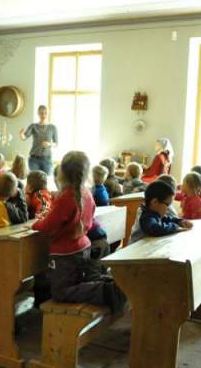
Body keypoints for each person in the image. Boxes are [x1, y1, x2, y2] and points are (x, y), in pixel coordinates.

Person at [31, 151, 125, 309]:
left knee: (60, 292)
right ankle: (115, 285)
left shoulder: (66, 197)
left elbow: (48, 226)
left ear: (62, 172)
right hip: (84, 246)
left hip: (65, 254)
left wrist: (36, 224)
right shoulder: (86, 193)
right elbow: (88, 216)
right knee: (81, 281)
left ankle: (106, 291)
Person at [19, 105, 58, 175]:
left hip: (47, 159)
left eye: (45, 113)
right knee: (34, 179)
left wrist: (49, 144)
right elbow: (24, 137)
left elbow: (56, 143)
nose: (43, 115)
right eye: (41, 113)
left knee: (46, 179)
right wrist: (21, 134)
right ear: (38, 113)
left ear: (48, 113)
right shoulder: (33, 126)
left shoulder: (53, 127)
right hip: (34, 159)